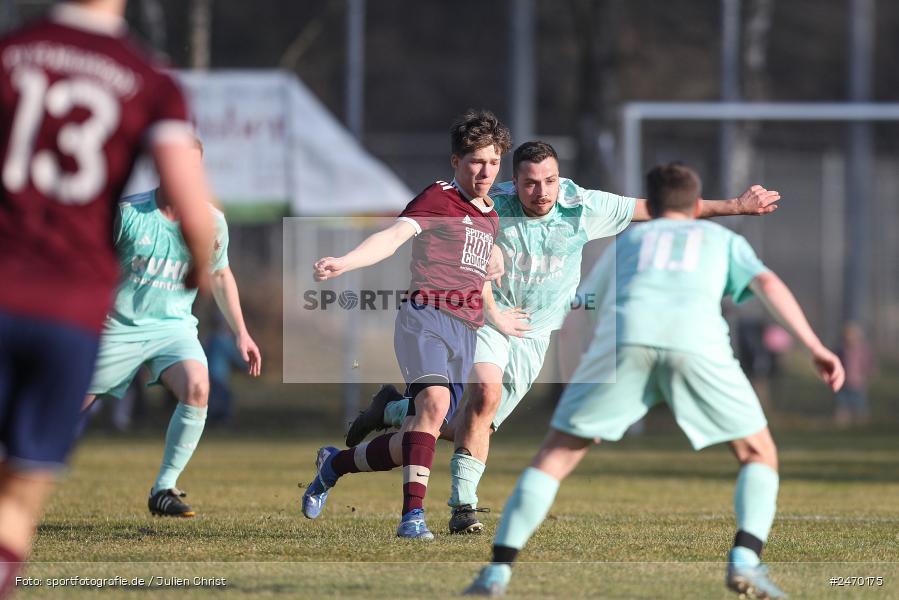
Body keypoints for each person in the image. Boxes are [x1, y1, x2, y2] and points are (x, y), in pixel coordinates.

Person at [345, 140, 782, 534]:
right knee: (484, 397)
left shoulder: (583, 206)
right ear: (513, 182)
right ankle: (464, 507)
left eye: (549, 180)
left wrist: (737, 205)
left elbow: (660, 209)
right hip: (486, 321)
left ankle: (395, 408)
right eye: (531, 183)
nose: (542, 191)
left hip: (534, 336)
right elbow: (446, 224)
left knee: (465, 424)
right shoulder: (492, 204)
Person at [464, 163, 844, 598]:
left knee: (555, 456)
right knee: (757, 452)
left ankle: (497, 572)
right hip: (697, 345)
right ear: (695, 203)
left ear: (654, 203)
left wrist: (583, 388)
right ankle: (745, 560)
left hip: (626, 343)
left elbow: (578, 318)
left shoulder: (630, 244)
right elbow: (767, 282)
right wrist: (815, 347)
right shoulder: (722, 239)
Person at [0, 0, 214, 595]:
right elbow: (191, 203)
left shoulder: (11, 52)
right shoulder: (150, 79)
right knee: (19, 491)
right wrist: (199, 260)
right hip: (69, 307)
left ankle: (164, 487)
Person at [301, 109, 511, 540]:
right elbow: (393, 237)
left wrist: (496, 310)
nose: (485, 170)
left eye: (493, 161)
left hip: (465, 332)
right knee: (433, 407)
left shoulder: (490, 215)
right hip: (425, 318)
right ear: (456, 162)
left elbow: (479, 275)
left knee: (422, 432)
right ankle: (411, 519)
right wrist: (345, 262)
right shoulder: (439, 197)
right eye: (475, 160)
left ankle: (334, 463)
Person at [83, 138, 262, 517]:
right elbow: (91, 265)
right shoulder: (129, 214)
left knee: (198, 387)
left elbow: (220, 274)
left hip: (174, 329)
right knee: (64, 406)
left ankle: (164, 488)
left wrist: (241, 332)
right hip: (118, 327)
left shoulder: (210, 221)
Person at [833, 322, 875, 427]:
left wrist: (868, 375)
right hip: (843, 383)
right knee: (843, 407)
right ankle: (842, 427)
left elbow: (868, 364)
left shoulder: (862, 350)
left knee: (860, 407)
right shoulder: (840, 350)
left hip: (858, 383)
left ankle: (861, 426)